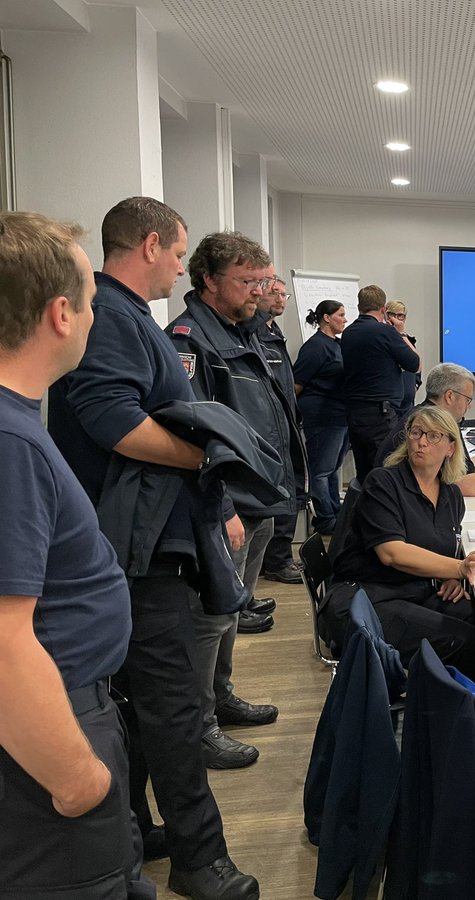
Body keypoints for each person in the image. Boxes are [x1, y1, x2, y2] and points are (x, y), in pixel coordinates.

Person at [45, 199, 259, 898]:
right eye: (175, 253)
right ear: (149, 243)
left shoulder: (128, 316)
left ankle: (139, 829)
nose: (178, 266)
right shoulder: (111, 314)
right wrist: (203, 460)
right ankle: (202, 860)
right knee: (169, 707)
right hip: (139, 556)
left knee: (141, 706)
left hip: (149, 545)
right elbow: (112, 423)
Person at [0, 211, 147, 898]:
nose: (96, 314)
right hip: (46, 737)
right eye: (90, 298)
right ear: (62, 313)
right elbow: (4, 643)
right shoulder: (12, 441)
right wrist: (79, 778)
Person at [168, 231, 296, 769]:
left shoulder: (242, 331)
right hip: (229, 503)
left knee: (231, 610)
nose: (258, 291)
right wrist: (225, 508)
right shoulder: (190, 338)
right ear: (209, 280)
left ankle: (222, 695)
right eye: (248, 281)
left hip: (256, 497)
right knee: (211, 616)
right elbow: (193, 429)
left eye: (262, 281)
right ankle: (200, 728)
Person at [330, 404, 475, 694]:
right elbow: (392, 553)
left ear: (450, 447)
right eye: (416, 432)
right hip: (367, 599)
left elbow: (446, 545)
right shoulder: (383, 483)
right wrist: (457, 568)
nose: (421, 441)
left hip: (415, 592)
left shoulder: (450, 495)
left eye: (433, 436)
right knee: (466, 643)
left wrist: (451, 576)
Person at [376, 363, 475, 496]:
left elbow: (451, 470)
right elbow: (464, 484)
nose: (468, 406)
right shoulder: (435, 427)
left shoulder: (421, 414)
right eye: (467, 399)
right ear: (450, 396)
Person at [257, 270, 306, 587]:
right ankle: (275, 561)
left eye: (283, 294)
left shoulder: (273, 334)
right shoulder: (255, 335)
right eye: (273, 292)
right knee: (273, 498)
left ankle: (280, 558)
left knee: (290, 494)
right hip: (267, 433)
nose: (280, 299)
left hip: (286, 427)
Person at [341, 284, 420, 477]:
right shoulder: (385, 333)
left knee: (364, 473)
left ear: (359, 306)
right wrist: (400, 333)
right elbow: (415, 364)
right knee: (387, 471)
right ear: (383, 310)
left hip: (354, 412)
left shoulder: (348, 333)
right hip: (380, 414)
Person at [294, 300, 350, 535]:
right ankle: (325, 518)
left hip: (339, 414)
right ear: (326, 317)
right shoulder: (315, 347)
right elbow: (296, 384)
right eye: (341, 315)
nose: (345, 320)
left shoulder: (337, 344)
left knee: (333, 468)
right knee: (321, 470)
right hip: (322, 415)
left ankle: (335, 511)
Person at [385, 300, 421, 420]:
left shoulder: (408, 341)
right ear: (386, 315)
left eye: (400, 315)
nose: (396, 319)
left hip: (408, 406)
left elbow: (417, 364)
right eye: (392, 315)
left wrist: (415, 385)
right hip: (391, 406)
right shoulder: (383, 340)